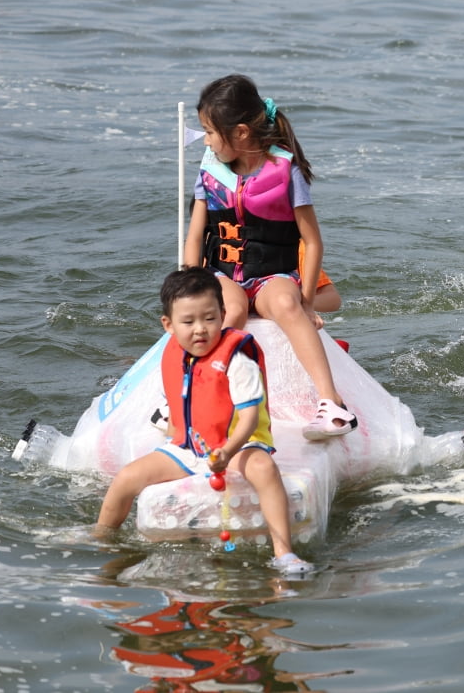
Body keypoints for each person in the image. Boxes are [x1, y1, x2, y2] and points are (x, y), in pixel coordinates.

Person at [94, 268, 314, 575]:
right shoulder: (175, 354)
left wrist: (227, 452)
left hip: (237, 444)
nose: (200, 329)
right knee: (127, 479)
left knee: (264, 469)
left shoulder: (238, 361)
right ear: (168, 325)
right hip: (190, 446)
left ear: (224, 314)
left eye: (210, 319)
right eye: (189, 322)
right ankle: (101, 537)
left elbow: (250, 418)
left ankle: (284, 554)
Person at [183, 74, 356, 440]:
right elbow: (196, 235)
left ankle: (331, 404)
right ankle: (195, 392)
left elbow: (312, 241)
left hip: (270, 276)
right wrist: (188, 284)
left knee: (286, 304)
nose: (206, 141)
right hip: (223, 274)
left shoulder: (286, 172)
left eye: (211, 133)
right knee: (231, 309)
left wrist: (306, 302)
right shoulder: (209, 172)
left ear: (241, 132)